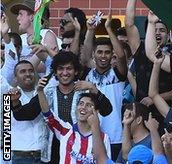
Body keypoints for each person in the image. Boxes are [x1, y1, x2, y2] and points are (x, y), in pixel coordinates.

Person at [10, 51, 113, 163]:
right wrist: (15, 101)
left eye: (69, 68)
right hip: (53, 151)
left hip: (83, 149)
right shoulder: (47, 93)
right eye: (60, 69)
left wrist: (94, 89)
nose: (65, 72)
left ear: (76, 71)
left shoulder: (85, 90)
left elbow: (107, 110)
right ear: (55, 72)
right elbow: (25, 114)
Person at [80, 12, 128, 160]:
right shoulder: (87, 74)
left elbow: (121, 56)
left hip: (115, 136)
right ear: (94, 54)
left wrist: (108, 29)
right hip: (91, 134)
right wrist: (90, 30)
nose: (103, 56)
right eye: (99, 52)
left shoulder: (118, 73)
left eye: (107, 52)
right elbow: (84, 57)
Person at [38, 81, 112, 163]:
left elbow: (105, 162)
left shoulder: (103, 138)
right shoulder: (66, 131)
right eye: (81, 103)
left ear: (96, 111)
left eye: (88, 105)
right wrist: (40, 91)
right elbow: (48, 115)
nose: (83, 107)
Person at [5, 61, 47, 163]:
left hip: (45, 156)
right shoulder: (8, 96)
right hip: (21, 157)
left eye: (31, 71)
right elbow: (5, 127)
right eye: (22, 71)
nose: (27, 74)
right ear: (15, 77)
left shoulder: (44, 93)